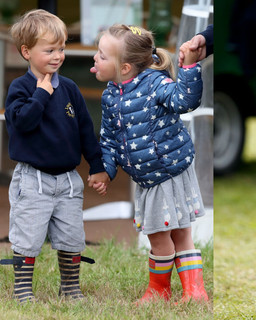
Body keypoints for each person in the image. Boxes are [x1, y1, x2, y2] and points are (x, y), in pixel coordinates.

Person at [90, 24, 208, 303]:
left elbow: (185, 100)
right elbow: (107, 139)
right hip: (150, 174)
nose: (95, 58)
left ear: (126, 67)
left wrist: (189, 69)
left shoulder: (156, 84)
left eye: (102, 55)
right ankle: (194, 292)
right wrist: (106, 171)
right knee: (178, 233)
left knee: (160, 235)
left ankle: (159, 291)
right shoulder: (110, 95)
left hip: (165, 172)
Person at [0, 9, 110, 303]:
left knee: (72, 236)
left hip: (68, 181)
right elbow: (21, 123)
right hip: (32, 180)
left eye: (61, 48)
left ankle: (70, 288)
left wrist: (97, 166)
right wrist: (42, 94)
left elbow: (86, 130)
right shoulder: (20, 88)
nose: (57, 55)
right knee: (28, 236)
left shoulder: (71, 89)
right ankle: (23, 289)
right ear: (26, 51)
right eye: (49, 50)